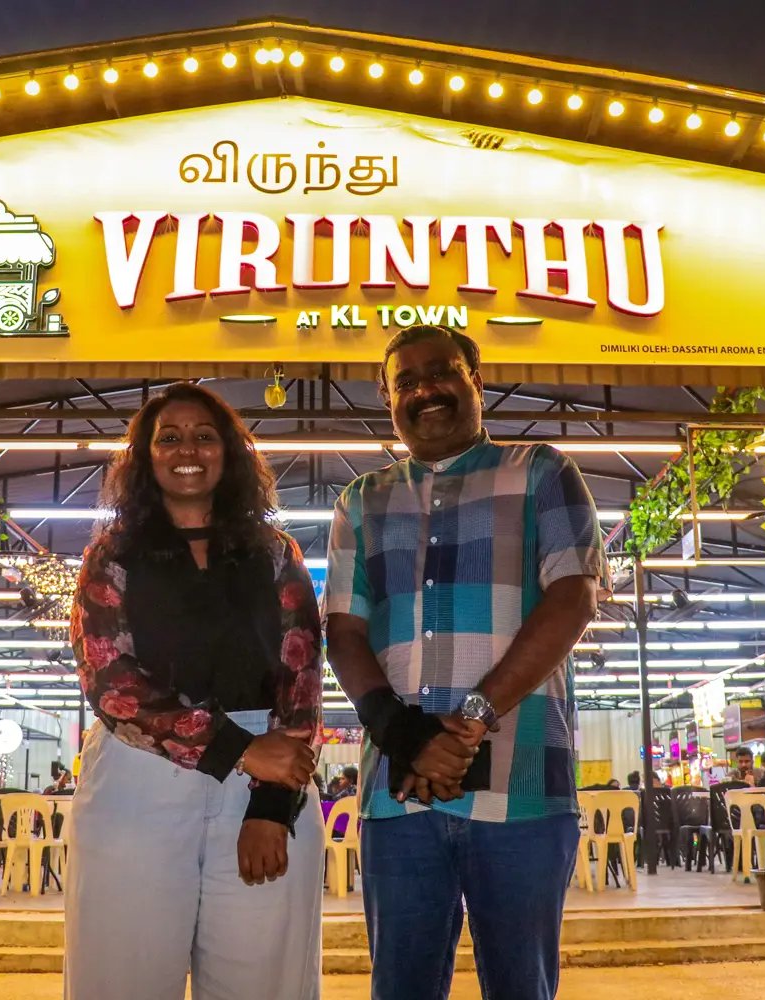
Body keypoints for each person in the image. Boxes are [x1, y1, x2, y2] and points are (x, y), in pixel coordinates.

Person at [325, 326, 604, 1000]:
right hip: (398, 794)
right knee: (401, 987)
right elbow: (343, 630)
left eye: (441, 372)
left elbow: (573, 596)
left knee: (521, 985)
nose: (425, 390)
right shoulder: (360, 501)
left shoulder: (541, 472)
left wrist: (472, 717)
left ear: (476, 381)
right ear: (388, 399)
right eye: (406, 381)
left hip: (523, 782)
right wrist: (403, 733)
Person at [67, 383, 325, 1000]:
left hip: (265, 781)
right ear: (146, 456)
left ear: (229, 452)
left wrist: (271, 807)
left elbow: (302, 676)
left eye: (205, 436)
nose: (188, 449)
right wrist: (239, 749)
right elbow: (110, 681)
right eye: (170, 438)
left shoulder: (274, 554)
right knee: (124, 976)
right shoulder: (113, 555)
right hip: (139, 777)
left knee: (262, 981)